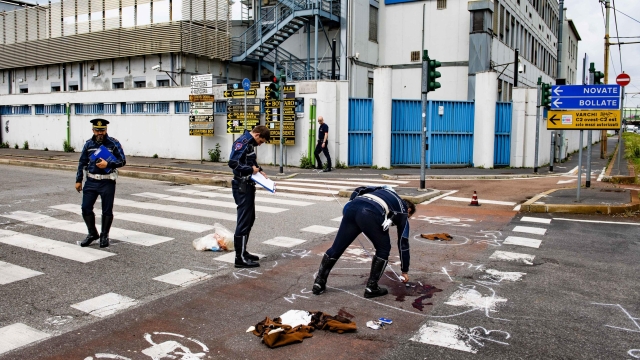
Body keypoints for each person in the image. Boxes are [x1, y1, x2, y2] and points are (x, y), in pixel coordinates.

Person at [312, 186, 416, 298]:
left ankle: (319, 283)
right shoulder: (403, 210)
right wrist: (405, 270)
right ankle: (372, 287)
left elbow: (360, 189)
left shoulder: (385, 190)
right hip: (370, 212)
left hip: (352, 207)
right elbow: (403, 242)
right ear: (409, 210)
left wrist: (351, 201)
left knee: (336, 247)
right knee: (384, 248)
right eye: (408, 217)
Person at [76, 119, 126, 248]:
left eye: (102, 130)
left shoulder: (113, 144)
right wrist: (78, 180)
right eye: (97, 130)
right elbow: (82, 163)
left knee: (107, 210)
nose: (100, 133)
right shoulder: (88, 144)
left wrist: (108, 164)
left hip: (107, 181)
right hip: (91, 181)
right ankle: (92, 234)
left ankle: (104, 235)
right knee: (85, 208)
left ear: (106, 130)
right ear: (93, 130)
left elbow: (122, 161)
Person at [228, 125, 271, 268]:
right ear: (257, 135)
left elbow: (251, 161)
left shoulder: (250, 144)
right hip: (241, 185)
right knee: (244, 220)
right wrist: (250, 170)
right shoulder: (243, 143)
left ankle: (243, 251)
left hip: (248, 185)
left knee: (249, 218)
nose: (261, 144)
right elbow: (233, 163)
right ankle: (239, 258)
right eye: (262, 141)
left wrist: (260, 171)